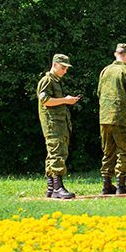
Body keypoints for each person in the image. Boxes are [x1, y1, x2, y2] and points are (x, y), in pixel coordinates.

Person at [96, 43, 126, 195]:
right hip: (120, 117)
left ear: (116, 54)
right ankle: (121, 184)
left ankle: (106, 184)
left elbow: (99, 93)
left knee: (108, 151)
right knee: (124, 150)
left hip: (104, 117)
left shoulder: (105, 71)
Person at [37, 54, 81, 199]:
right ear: (54, 64)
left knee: (53, 153)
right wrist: (65, 100)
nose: (65, 71)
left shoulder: (55, 81)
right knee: (57, 153)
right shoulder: (47, 80)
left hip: (58, 123)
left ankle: (51, 188)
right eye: (63, 67)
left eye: (66, 68)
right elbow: (45, 100)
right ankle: (58, 188)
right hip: (53, 124)